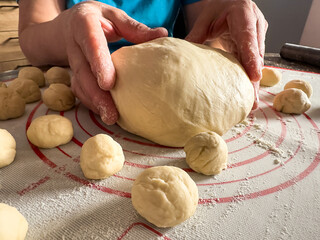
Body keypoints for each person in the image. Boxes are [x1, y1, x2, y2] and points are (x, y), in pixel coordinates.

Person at [18, 0, 268, 125]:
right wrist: (66, 28)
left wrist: (229, 12)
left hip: (170, 85)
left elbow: (211, 22)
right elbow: (31, 34)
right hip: (78, 85)